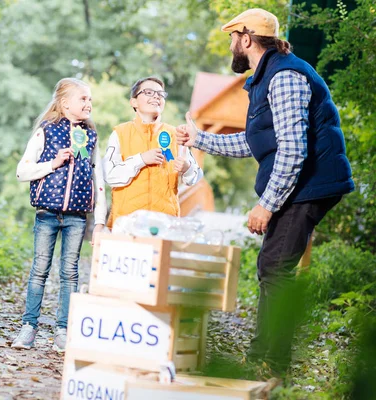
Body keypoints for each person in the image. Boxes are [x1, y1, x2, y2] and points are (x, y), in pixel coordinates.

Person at [175, 8, 354, 375]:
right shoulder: (265, 77)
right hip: (303, 181)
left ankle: (274, 363)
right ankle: (264, 357)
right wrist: (200, 139)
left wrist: (266, 206)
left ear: (246, 38)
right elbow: (256, 141)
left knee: (275, 266)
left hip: (311, 181)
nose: (230, 45)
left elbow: (292, 150)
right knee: (272, 265)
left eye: (232, 38)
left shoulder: (285, 76)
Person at [12, 78, 107, 352]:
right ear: (65, 103)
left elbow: (98, 178)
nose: (89, 104)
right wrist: (52, 163)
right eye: (83, 99)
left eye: (90, 100)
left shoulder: (91, 136)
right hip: (47, 213)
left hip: (77, 217)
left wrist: (99, 220)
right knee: (39, 270)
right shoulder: (46, 131)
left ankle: (63, 331)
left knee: (70, 273)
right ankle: (29, 327)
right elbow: (22, 171)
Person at [103, 76, 203, 227]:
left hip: (165, 224)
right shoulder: (120, 133)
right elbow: (110, 175)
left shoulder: (175, 134)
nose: (156, 96)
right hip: (126, 224)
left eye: (161, 94)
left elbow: (194, 177)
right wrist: (141, 159)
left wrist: (187, 168)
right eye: (149, 92)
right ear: (134, 102)